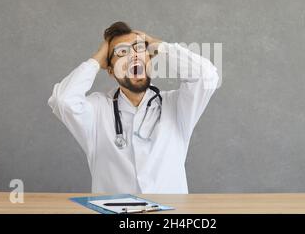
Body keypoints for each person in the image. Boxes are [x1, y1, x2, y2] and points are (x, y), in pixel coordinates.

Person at [48, 21, 219, 194]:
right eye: (122, 52)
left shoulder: (177, 106)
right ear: (110, 70)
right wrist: (97, 59)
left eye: (139, 48)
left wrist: (160, 46)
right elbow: (63, 100)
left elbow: (207, 76)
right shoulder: (97, 110)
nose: (134, 56)